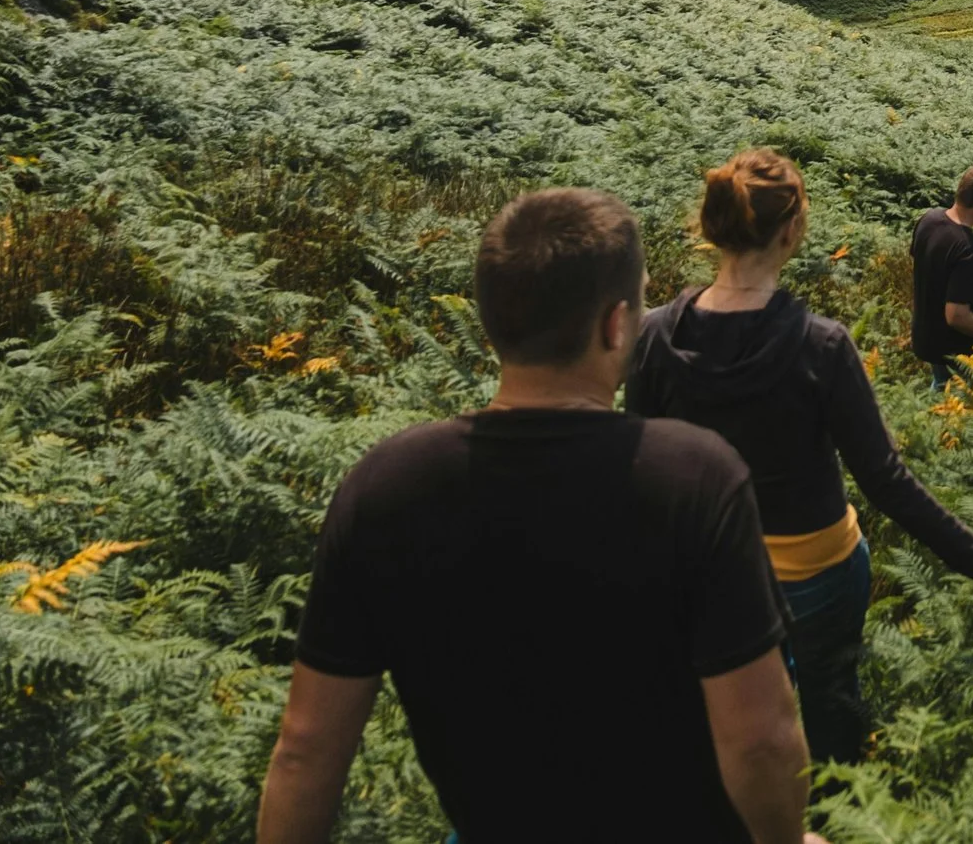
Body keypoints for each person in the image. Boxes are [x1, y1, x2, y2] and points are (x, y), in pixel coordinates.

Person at [258, 188, 822, 844]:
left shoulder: (385, 486)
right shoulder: (693, 478)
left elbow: (303, 749)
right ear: (615, 325)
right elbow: (761, 742)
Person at [626, 149, 973, 766]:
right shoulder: (821, 346)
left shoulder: (653, 336)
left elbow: (637, 472)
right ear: (793, 230)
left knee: (722, 727)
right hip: (818, 574)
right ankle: (838, 803)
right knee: (831, 704)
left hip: (711, 569)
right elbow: (885, 482)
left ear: (713, 225)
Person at [911, 165, 973, 390]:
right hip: (961, 352)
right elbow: (956, 315)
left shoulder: (928, 220)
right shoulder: (967, 250)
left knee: (945, 397)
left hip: (929, 341)